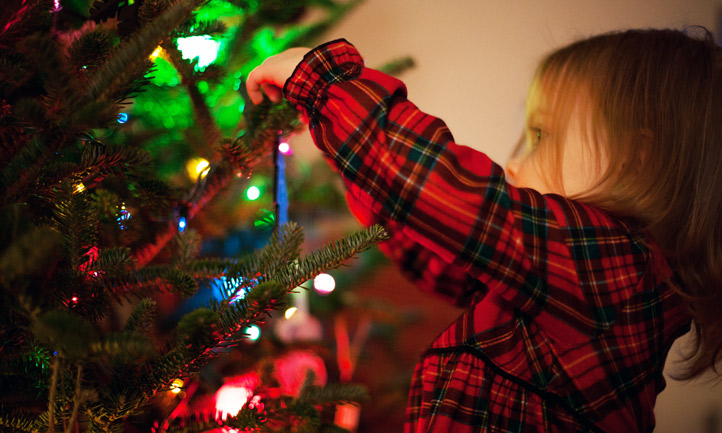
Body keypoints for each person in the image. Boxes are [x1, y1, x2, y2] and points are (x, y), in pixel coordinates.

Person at [246, 28, 722, 432]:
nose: (513, 163)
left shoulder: (615, 271)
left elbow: (446, 196)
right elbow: (439, 255)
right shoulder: (561, 284)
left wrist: (320, 83)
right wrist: (356, 161)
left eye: (541, 135)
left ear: (634, 159)